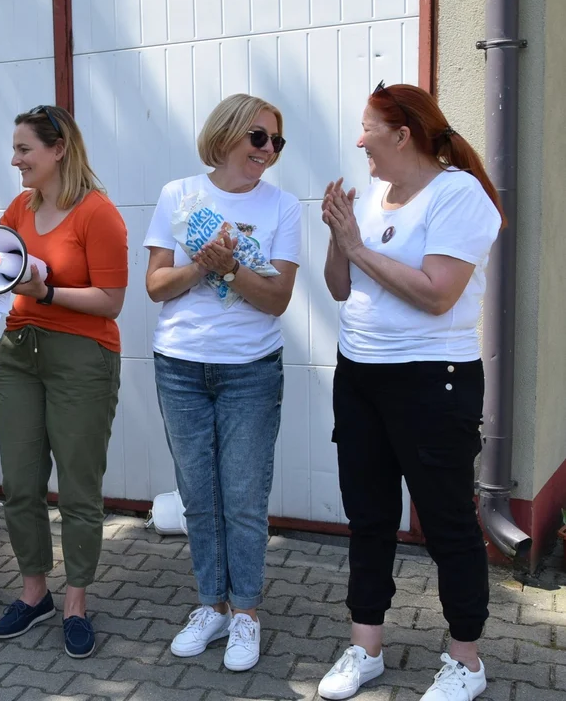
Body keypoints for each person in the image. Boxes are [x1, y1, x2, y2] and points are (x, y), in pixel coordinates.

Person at [316, 82, 503, 701]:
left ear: (403, 136)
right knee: (368, 517)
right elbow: (340, 287)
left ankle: (466, 662)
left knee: (448, 522)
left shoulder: (459, 195)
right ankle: (365, 646)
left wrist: (357, 246)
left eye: (368, 127)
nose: (358, 138)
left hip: (432, 382)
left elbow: (436, 293)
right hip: (359, 376)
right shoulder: (371, 195)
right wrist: (339, 238)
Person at [144, 94, 301, 673]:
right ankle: (211, 604)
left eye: (276, 143)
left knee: (243, 498)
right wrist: (202, 266)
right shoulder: (178, 196)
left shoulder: (283, 207)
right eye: (259, 138)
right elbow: (157, 286)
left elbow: (278, 299)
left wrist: (233, 267)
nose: (268, 151)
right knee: (199, 498)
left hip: (251, 370)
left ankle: (247, 614)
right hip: (180, 365)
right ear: (229, 134)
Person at [0, 105, 127, 660]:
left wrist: (47, 293)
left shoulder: (98, 213)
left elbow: (112, 302)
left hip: (82, 358)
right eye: (16, 148)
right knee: (21, 483)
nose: (15, 159)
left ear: (58, 149)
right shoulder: (19, 207)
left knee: (77, 486)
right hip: (21, 353)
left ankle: (75, 601)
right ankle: (34, 591)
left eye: (25, 149)